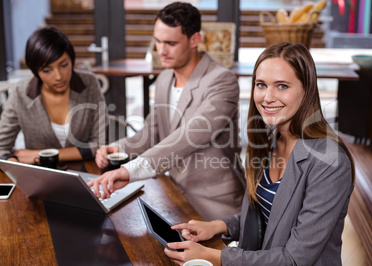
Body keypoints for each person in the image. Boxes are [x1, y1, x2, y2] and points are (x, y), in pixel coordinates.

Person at [163, 42, 355, 266]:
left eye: (282, 86)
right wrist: (216, 226)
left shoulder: (329, 161)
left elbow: (294, 260)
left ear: (306, 90)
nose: (267, 97)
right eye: (261, 85)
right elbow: (268, 217)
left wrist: (215, 258)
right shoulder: (270, 140)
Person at [88, 2, 245, 221]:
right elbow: (152, 132)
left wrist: (130, 170)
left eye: (170, 43)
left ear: (195, 40)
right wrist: (119, 148)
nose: (161, 50)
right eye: (158, 41)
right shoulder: (164, 78)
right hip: (174, 196)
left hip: (216, 205)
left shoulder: (221, 80)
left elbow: (188, 136)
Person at [0, 27, 108, 163]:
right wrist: (14, 163)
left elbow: (101, 143)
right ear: (36, 72)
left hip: (87, 174)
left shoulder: (88, 83)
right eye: (47, 70)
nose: (58, 76)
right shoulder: (20, 93)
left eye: (64, 65)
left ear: (72, 60)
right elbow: (2, 147)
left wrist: (39, 155)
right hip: (39, 177)